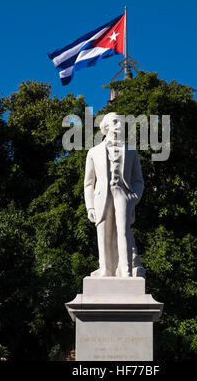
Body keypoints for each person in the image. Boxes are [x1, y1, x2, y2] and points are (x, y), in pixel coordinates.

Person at [84, 112, 145, 277]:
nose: (120, 125)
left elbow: (139, 180)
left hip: (122, 194)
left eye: (121, 122)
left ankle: (125, 270)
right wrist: (90, 206)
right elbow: (89, 183)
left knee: (123, 231)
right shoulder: (94, 152)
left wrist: (134, 198)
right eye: (115, 122)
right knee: (103, 232)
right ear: (106, 127)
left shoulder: (131, 151)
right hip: (101, 196)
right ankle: (105, 269)